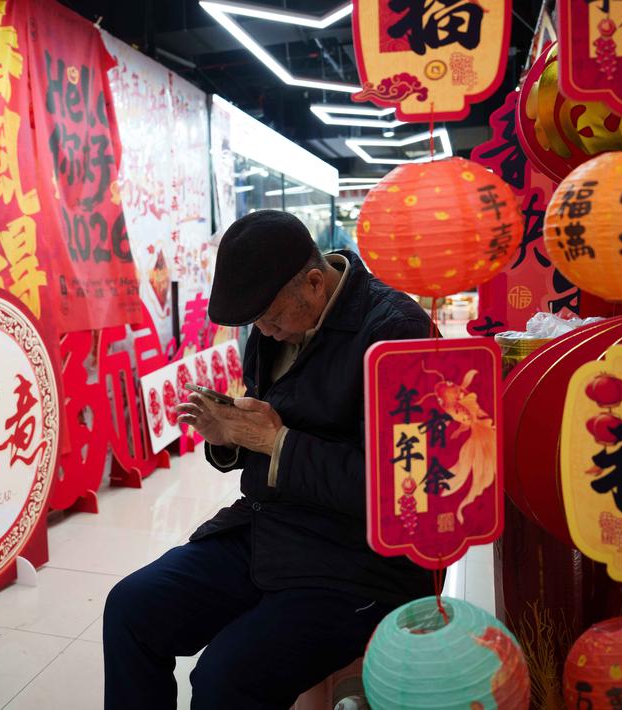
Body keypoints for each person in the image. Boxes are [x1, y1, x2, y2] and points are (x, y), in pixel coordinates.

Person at [103, 210, 435, 709]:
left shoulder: (396, 332)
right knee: (130, 609)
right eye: (259, 322)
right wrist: (228, 435)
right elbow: (263, 440)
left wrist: (278, 444)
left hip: (354, 562)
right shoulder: (271, 325)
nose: (267, 332)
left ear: (315, 282)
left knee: (223, 678)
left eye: (274, 319)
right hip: (265, 532)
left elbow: (403, 491)